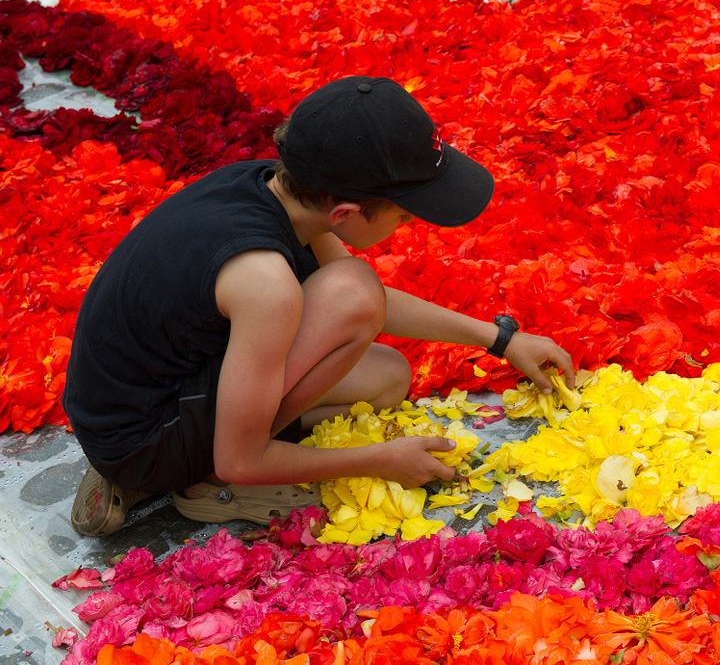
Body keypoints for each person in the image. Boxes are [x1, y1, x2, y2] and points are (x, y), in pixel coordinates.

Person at [62, 76, 576, 537]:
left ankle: (195, 450)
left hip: (138, 403)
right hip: (144, 439)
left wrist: (501, 340)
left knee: (388, 375)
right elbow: (351, 303)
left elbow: (369, 307)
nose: (410, 226)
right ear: (346, 212)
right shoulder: (264, 282)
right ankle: (205, 487)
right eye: (403, 216)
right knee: (350, 291)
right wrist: (380, 460)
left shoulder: (270, 185)